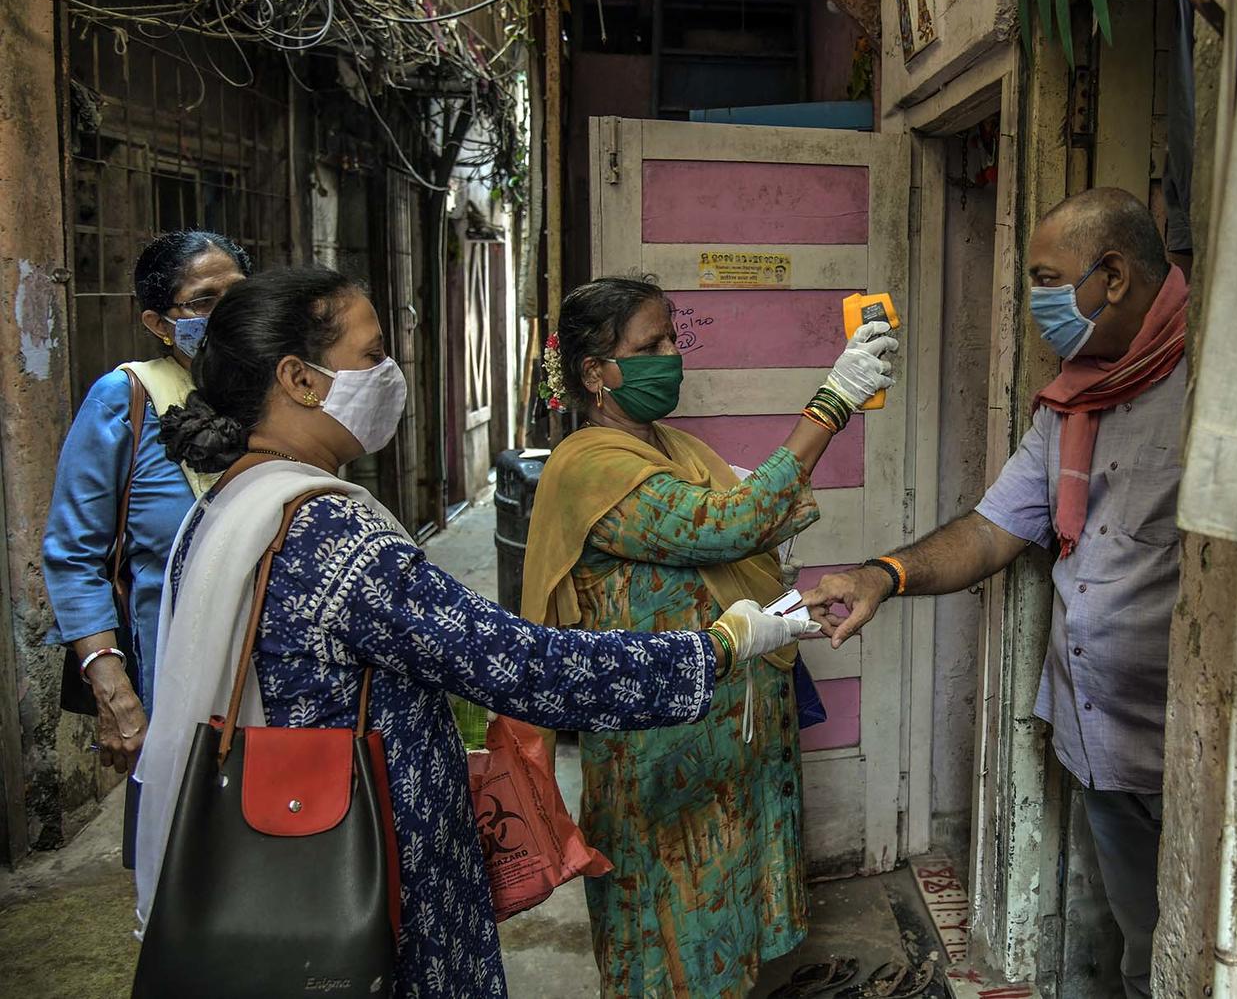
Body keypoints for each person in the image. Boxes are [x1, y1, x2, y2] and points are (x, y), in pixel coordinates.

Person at [137, 268, 808, 997]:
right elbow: (521, 664)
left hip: (292, 849)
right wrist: (716, 647)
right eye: (371, 357)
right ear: (300, 379)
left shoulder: (230, 505)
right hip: (365, 870)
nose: (390, 375)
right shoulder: (327, 529)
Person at [802, 188, 1187, 999]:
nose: (1034, 302)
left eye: (1049, 278)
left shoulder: (1209, 389)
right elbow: (991, 530)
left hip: (1189, 754)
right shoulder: (1071, 400)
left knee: (1187, 957)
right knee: (1140, 948)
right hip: (1100, 740)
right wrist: (884, 574)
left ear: (1111, 275)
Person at [520, 277, 898, 998]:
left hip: (726, 739)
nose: (671, 357)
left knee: (720, 926)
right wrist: (833, 400)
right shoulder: (589, 467)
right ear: (594, 373)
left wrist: (791, 613)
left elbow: (722, 566)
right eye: (648, 346)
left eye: (671, 340)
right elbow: (729, 526)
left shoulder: (668, 446)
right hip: (661, 753)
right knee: (666, 935)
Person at [44, 230, 252, 777]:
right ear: (159, 324)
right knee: (183, 834)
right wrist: (110, 683)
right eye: (205, 300)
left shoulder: (273, 395)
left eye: (239, 296)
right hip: (175, 675)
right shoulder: (125, 398)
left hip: (269, 671)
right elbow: (72, 554)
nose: (227, 314)